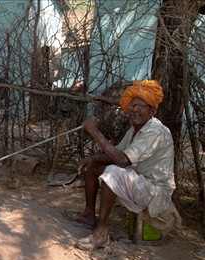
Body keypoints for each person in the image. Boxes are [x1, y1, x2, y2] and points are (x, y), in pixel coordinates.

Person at [63, 80, 180, 251]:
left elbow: (122, 160)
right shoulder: (135, 129)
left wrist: (94, 132)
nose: (134, 110)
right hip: (139, 182)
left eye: (141, 106)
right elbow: (115, 154)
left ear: (152, 111)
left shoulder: (156, 131)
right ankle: (89, 215)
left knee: (112, 173)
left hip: (154, 192)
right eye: (132, 106)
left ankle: (101, 234)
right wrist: (92, 159)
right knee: (93, 167)